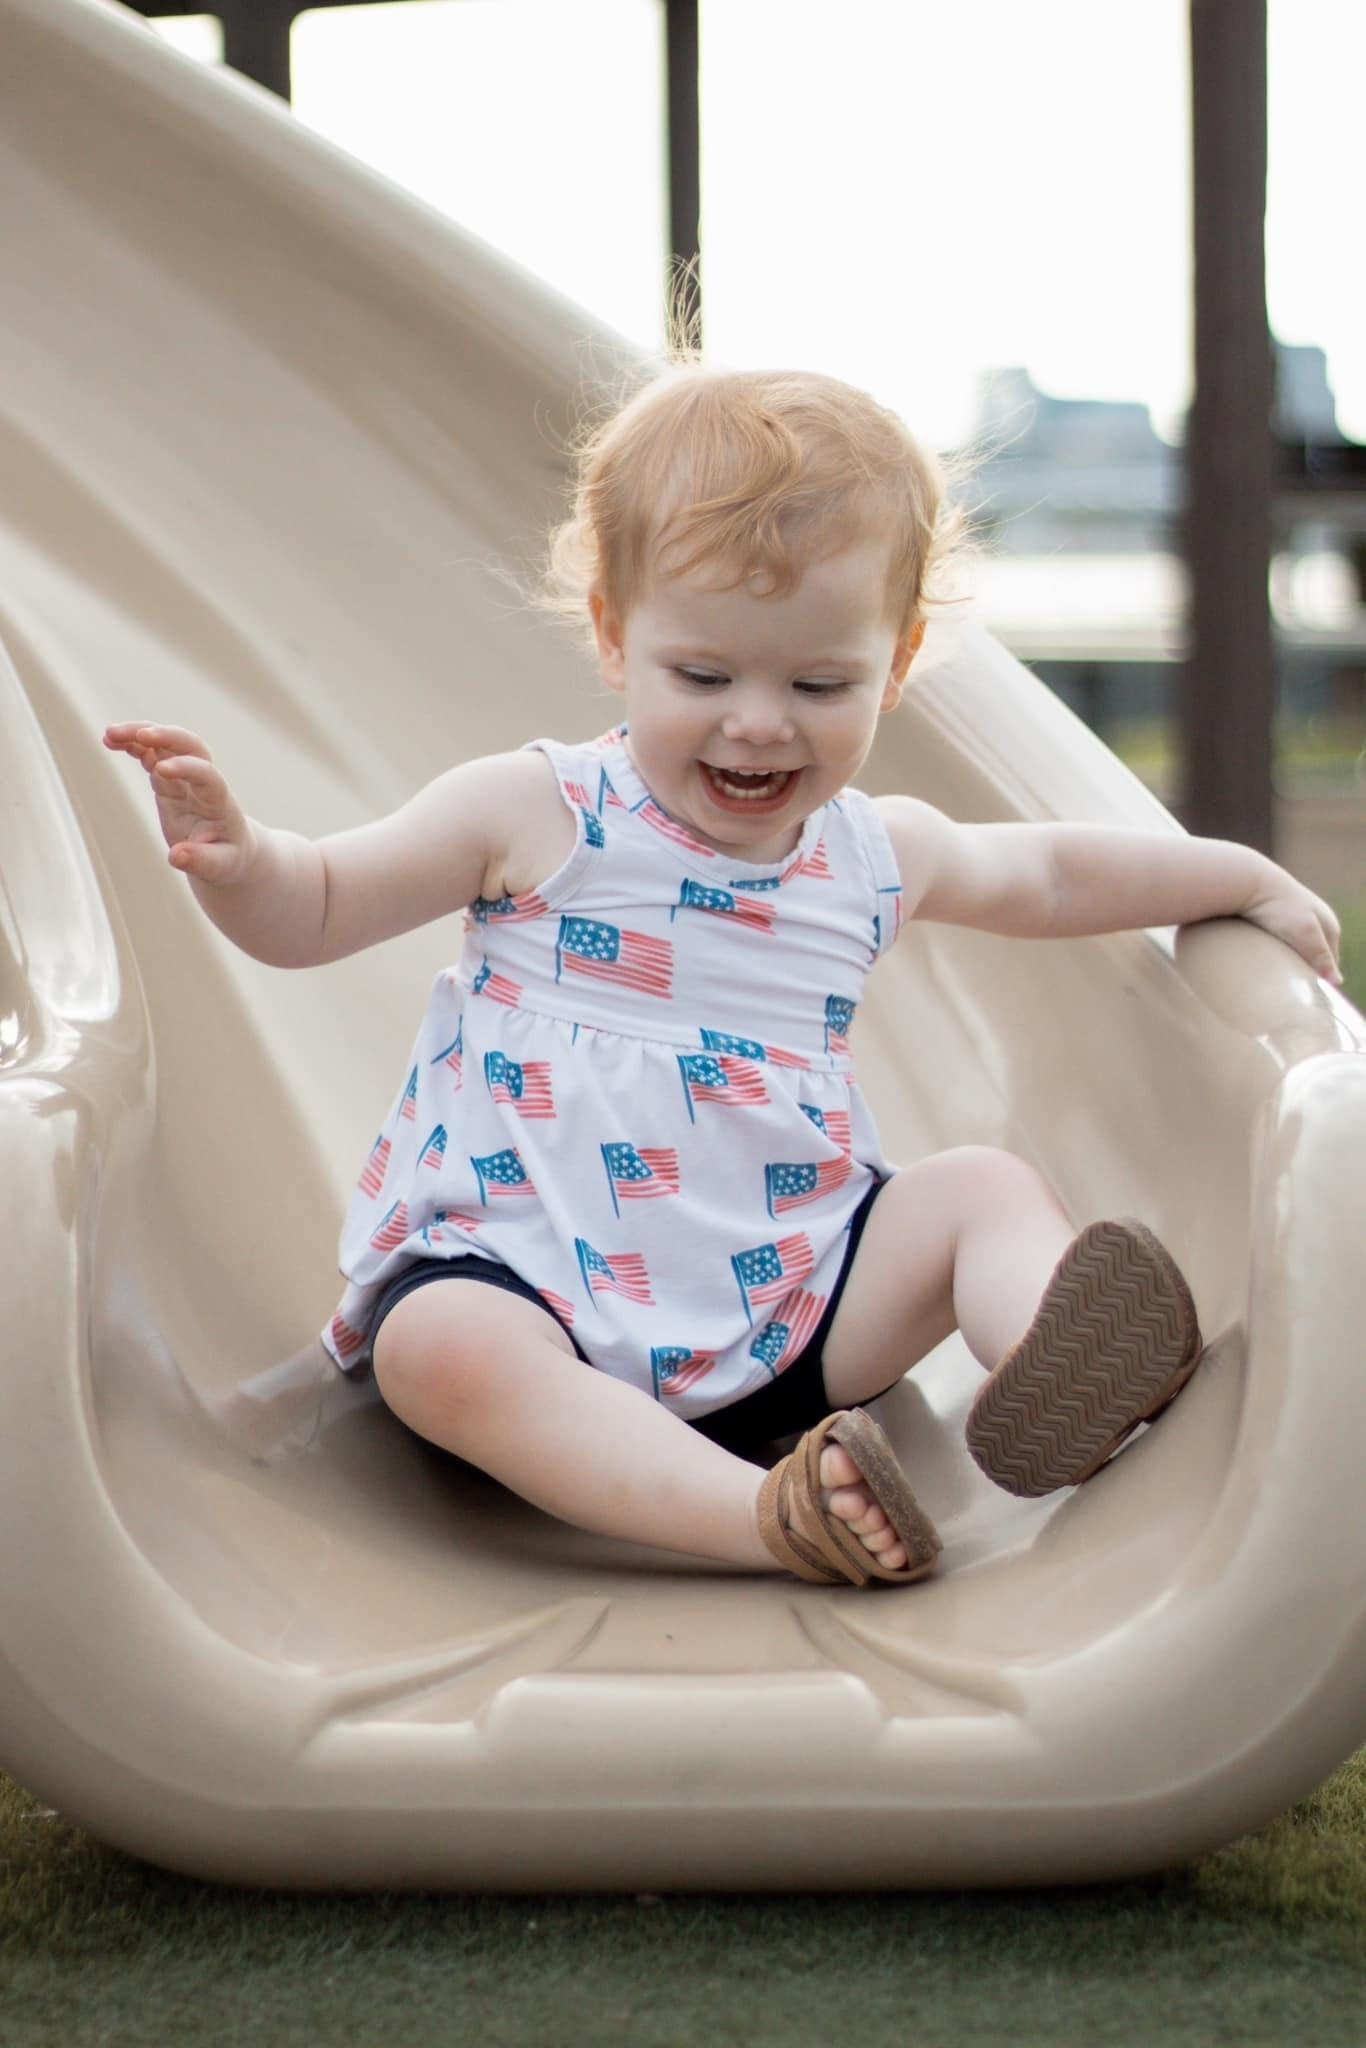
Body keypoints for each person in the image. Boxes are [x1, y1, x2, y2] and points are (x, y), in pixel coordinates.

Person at [104, 362, 1344, 1590]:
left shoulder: (870, 853)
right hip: (538, 1297)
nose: (760, 722)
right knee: (435, 1349)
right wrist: (241, 856)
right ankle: (770, 1515)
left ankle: (1068, 1369)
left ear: (897, 661)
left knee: (979, 1190)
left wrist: (1228, 874)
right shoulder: (537, 812)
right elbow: (317, 906)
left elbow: (1052, 879)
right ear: (613, 634)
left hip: (791, 1308)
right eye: (704, 676)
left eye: (820, 683)